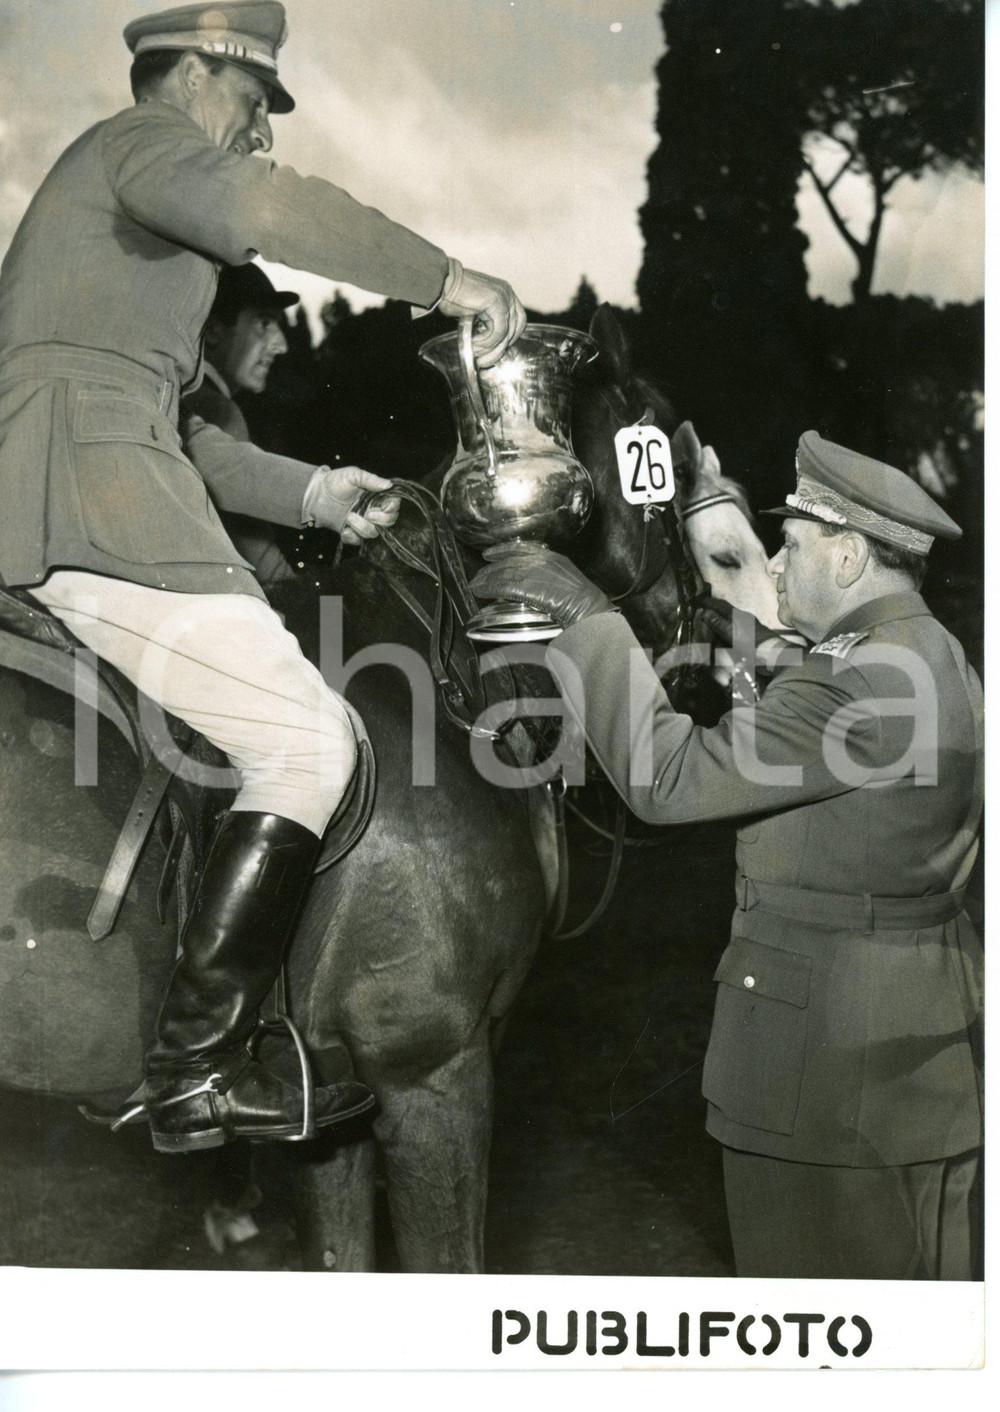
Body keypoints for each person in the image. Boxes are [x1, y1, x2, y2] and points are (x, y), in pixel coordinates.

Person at [0, 0, 526, 1155]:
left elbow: (177, 429)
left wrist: (315, 492)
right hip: (85, 504)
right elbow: (272, 209)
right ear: (190, 74)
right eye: (252, 101)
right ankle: (194, 1068)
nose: (260, 134)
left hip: (99, 479)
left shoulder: (130, 246)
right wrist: (453, 279)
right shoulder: (136, 146)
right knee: (310, 742)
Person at [472, 431, 983, 1280]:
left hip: (821, 1079)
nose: (776, 569)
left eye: (792, 545)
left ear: (850, 556)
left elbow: (667, 778)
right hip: (924, 1074)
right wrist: (755, 657)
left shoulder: (849, 686)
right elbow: (835, 734)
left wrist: (586, 618)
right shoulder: (940, 657)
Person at [182, 261, 300, 586]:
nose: (281, 345)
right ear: (215, 332)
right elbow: (268, 571)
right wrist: (335, 622)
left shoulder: (179, 398)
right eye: (264, 323)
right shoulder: (218, 411)